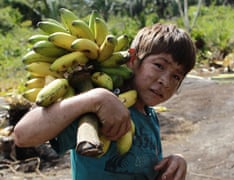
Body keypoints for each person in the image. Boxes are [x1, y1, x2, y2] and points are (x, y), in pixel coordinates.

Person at [13, 23, 196, 180]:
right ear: (132, 59)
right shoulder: (96, 108)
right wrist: (94, 98)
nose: (165, 81)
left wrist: (174, 163)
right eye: (159, 65)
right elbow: (23, 135)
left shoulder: (150, 117)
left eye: (176, 76)